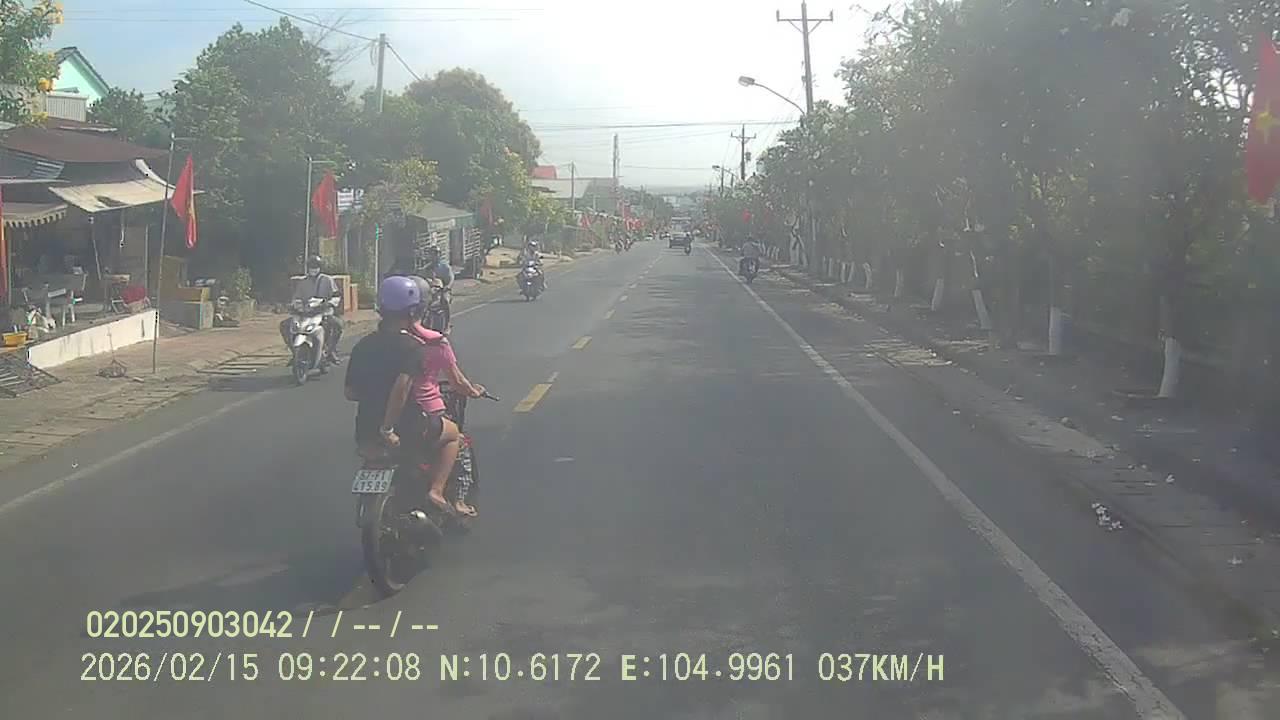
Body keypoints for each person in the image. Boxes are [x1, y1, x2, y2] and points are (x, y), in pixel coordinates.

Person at [345, 277, 486, 518]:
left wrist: (375, 397)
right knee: (454, 436)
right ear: (415, 311)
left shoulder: (363, 345)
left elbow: (350, 392)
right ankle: (437, 491)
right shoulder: (414, 347)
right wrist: (388, 428)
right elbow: (402, 388)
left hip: (365, 429)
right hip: (407, 428)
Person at [281, 256, 343, 364]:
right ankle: (295, 352)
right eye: (311, 267)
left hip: (323, 313)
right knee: (284, 326)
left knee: (338, 325)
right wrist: (294, 305)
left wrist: (329, 303)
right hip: (305, 315)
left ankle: (330, 350)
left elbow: (336, 296)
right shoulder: (303, 282)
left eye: (315, 266)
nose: (313, 269)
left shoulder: (327, 280)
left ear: (320, 267)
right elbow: (296, 298)